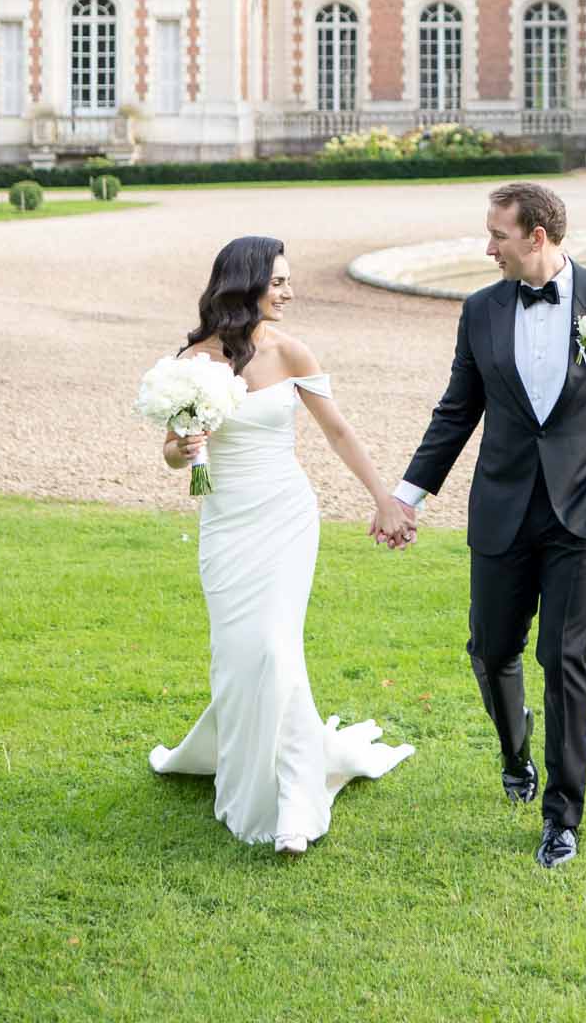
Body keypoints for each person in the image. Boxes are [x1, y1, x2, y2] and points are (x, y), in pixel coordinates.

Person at [373, 183, 586, 869]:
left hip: (585, 511)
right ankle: (514, 749)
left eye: (498, 236)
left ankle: (561, 816)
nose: (487, 248)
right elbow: (455, 411)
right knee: (489, 650)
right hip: (501, 505)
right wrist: (406, 497)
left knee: (566, 660)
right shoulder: (480, 310)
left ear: (537, 236)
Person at [149, 235, 415, 852]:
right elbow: (169, 450)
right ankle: (242, 770)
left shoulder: (291, 352)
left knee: (275, 647)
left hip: (285, 516)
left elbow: (340, 431)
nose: (289, 292)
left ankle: (293, 801)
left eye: (289, 281)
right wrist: (181, 451)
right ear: (244, 284)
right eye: (278, 282)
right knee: (239, 654)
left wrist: (385, 501)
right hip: (225, 523)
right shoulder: (192, 360)